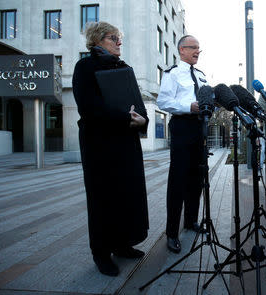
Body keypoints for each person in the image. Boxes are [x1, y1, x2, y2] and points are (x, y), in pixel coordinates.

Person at [72, 22, 149, 276]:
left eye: (120, 38)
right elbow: (89, 108)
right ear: (97, 40)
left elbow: (139, 105)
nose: (119, 42)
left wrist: (143, 120)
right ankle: (102, 253)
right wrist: (126, 118)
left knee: (128, 195)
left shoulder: (124, 67)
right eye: (113, 38)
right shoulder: (85, 67)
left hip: (126, 144)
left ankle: (123, 244)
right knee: (103, 199)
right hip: (99, 147)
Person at [157, 35, 207, 254]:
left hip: (200, 129)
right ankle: (171, 233)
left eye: (199, 48)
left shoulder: (201, 75)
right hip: (182, 127)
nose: (197, 51)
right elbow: (164, 101)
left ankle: (191, 221)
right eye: (193, 48)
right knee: (178, 180)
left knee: (197, 177)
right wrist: (190, 106)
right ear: (182, 50)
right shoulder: (172, 73)